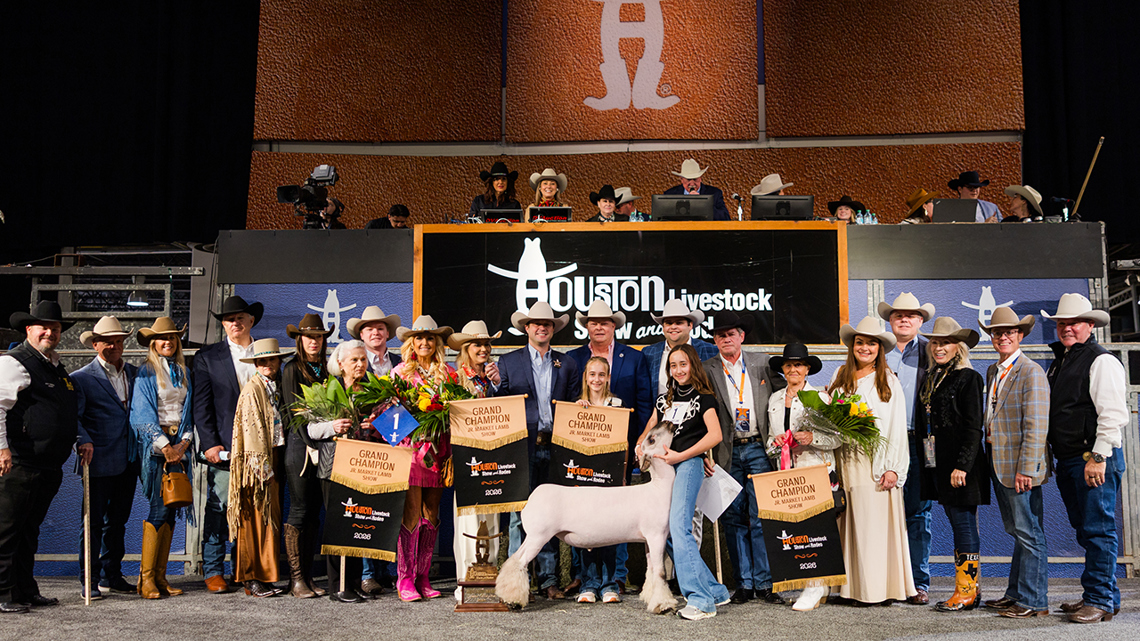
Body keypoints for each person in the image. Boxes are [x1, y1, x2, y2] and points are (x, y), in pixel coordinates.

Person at [1042, 293, 1127, 624]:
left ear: (1089, 325)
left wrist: (1098, 456)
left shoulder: (1100, 360)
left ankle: (1099, 598)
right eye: (1062, 323)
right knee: (1087, 528)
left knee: (1097, 529)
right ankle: (1105, 596)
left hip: (1092, 457)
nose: (1066, 328)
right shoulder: (1063, 361)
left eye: (1074, 322)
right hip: (1073, 459)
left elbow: (1113, 415)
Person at [496, 302, 581, 599]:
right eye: (536, 324)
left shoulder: (567, 363)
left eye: (547, 324)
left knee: (553, 515)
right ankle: (517, 582)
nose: (541, 327)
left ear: (553, 329)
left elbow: (572, 404)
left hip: (556, 447)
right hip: (522, 448)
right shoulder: (507, 363)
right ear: (526, 328)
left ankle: (548, 581)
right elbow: (500, 406)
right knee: (520, 515)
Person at [637, 345, 727, 620]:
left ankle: (700, 601)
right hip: (665, 471)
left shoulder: (705, 397)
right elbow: (651, 427)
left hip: (687, 465)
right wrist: (640, 444)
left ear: (693, 365)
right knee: (670, 531)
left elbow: (715, 435)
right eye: (673, 365)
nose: (678, 370)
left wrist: (685, 455)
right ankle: (715, 591)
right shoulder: (665, 399)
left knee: (678, 527)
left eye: (683, 364)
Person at [567, 299, 652, 593]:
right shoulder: (573, 358)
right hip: (581, 457)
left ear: (614, 325)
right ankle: (584, 578)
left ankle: (617, 577)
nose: (600, 326)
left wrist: (640, 445)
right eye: (594, 322)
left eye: (605, 321)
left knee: (621, 515)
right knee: (582, 515)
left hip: (621, 453)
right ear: (586, 327)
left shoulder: (634, 357)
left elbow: (643, 404)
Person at [829, 316, 915, 605]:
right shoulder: (840, 376)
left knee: (871, 525)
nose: (865, 348)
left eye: (871, 343)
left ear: (880, 348)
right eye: (860, 342)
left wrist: (893, 467)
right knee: (847, 524)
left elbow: (895, 428)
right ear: (852, 346)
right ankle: (849, 588)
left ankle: (874, 589)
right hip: (845, 459)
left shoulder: (887, 381)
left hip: (873, 461)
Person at [0, 301, 77, 613]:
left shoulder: (55, 366)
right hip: (19, 462)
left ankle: (25, 589)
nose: (50, 331)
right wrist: (1, 448)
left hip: (46, 465)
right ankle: (3, 594)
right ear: (28, 329)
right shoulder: (14, 362)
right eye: (43, 326)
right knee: (6, 531)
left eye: (55, 328)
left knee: (29, 531)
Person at [701, 311, 783, 605]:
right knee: (734, 518)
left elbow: (785, 398)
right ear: (715, 340)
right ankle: (744, 584)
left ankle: (765, 583)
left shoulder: (763, 363)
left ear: (741, 336)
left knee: (762, 516)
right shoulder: (706, 368)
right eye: (720, 335)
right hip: (727, 451)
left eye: (731, 334)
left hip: (759, 448)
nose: (726, 339)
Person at [977, 306, 1051, 619]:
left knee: (1029, 532)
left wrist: (1027, 468)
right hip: (999, 459)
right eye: (997, 332)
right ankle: (1016, 593)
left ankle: (1035, 600)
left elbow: (1036, 424)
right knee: (1019, 531)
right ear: (991, 337)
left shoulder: (1031, 371)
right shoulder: (995, 371)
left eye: (1009, 332)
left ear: (1020, 335)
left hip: (1019, 466)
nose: (1003, 336)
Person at [915, 318, 987, 612]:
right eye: (934, 342)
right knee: (958, 522)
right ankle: (970, 589)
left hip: (960, 465)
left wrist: (963, 466)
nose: (938, 347)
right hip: (939, 463)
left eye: (945, 342)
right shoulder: (934, 376)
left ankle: (967, 590)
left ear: (958, 346)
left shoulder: (968, 377)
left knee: (964, 523)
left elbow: (973, 427)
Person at [193, 294, 263, 594]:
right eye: (229, 319)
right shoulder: (208, 357)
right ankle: (212, 568)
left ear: (251, 321)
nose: (235, 323)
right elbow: (201, 406)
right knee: (220, 507)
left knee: (254, 509)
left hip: (259, 448)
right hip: (223, 446)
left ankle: (244, 568)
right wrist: (209, 443)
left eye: (240, 318)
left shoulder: (265, 353)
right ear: (223, 324)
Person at [766, 342, 838, 612]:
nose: (793, 369)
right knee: (795, 531)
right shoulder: (774, 400)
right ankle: (813, 583)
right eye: (788, 365)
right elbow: (769, 441)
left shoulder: (820, 397)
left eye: (798, 364)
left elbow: (838, 438)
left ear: (807, 369)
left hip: (813, 468)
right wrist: (776, 444)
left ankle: (815, 585)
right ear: (782, 369)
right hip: (784, 472)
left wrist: (813, 437)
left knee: (814, 529)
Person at [72, 316, 138, 599]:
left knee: (118, 521)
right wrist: (83, 440)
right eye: (108, 341)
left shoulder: (136, 373)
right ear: (95, 344)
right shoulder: (81, 378)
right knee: (93, 522)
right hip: (97, 460)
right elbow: (73, 419)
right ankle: (89, 578)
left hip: (128, 459)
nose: (114, 345)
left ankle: (113, 574)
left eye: (119, 341)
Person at [306, 340, 377, 603]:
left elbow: (395, 426)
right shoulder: (325, 390)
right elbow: (311, 430)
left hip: (365, 465)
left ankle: (355, 582)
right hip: (333, 465)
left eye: (363, 359)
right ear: (340, 364)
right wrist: (332, 426)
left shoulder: (374, 389)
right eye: (354, 360)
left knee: (360, 523)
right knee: (339, 524)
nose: (360, 364)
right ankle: (338, 585)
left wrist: (376, 425)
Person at [392, 315, 456, 602]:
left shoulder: (449, 375)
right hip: (412, 450)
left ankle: (423, 575)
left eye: (430, 338)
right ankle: (405, 578)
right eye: (419, 338)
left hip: (440, 450)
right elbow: (386, 413)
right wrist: (410, 435)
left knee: (432, 513)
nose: (425, 343)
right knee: (412, 514)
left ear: (437, 342)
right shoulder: (400, 373)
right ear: (411, 343)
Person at [129, 317, 193, 600]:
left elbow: (189, 411)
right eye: (162, 338)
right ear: (153, 343)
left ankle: (161, 576)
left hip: (180, 448)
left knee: (171, 509)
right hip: (156, 449)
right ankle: (146, 580)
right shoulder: (145, 372)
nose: (168, 341)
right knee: (158, 508)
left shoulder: (183, 371)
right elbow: (140, 414)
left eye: (172, 337)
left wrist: (185, 442)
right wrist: (166, 446)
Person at [879, 292, 934, 605]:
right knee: (881, 512)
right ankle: (885, 580)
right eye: (899, 314)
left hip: (919, 439)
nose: (904, 319)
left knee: (918, 512)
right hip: (881, 441)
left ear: (920, 321)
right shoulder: (878, 351)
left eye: (911, 315)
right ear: (891, 319)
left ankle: (917, 582)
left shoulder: (931, 351)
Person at [229, 338, 292, 598]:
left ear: (278, 362)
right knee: (253, 519)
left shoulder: (274, 387)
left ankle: (265, 576)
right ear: (255, 364)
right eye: (262, 360)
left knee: (269, 519)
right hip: (257, 463)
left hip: (274, 454)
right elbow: (249, 431)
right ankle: (250, 577)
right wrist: (260, 466)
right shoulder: (252, 389)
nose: (267, 364)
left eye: (271, 359)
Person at [345, 305, 401, 592]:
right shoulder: (353, 364)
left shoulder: (402, 364)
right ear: (361, 335)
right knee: (366, 508)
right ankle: (367, 572)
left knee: (389, 508)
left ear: (388, 333)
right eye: (369, 329)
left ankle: (384, 570)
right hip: (363, 446)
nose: (375, 332)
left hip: (395, 443)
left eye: (380, 328)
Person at [447, 320, 502, 601]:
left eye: (486, 344)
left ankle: (490, 574)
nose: (483, 349)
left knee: (492, 516)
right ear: (466, 349)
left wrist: (496, 384)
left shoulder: (495, 377)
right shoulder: (455, 379)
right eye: (477, 345)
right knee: (468, 519)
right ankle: (466, 578)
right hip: (467, 456)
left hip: (492, 456)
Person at [280, 314, 332, 599]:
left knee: (314, 513)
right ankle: (295, 579)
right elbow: (292, 414)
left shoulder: (326, 368)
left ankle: (309, 578)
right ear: (300, 339)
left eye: (319, 337)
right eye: (310, 337)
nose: (315, 341)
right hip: (301, 447)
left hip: (324, 446)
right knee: (299, 510)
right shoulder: (291, 369)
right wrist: (310, 440)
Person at [574, 356, 623, 605]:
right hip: (583, 478)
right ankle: (589, 584)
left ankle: (609, 584)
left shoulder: (617, 405)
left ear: (608, 377)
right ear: (586, 376)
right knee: (585, 532)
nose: (596, 379)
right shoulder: (576, 406)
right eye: (592, 374)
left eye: (601, 374)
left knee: (610, 531)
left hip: (608, 477)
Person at [642, 299, 718, 398]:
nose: (673, 327)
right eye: (668, 323)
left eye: (679, 323)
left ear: (690, 325)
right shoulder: (648, 353)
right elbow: (643, 392)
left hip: (699, 411)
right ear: (663, 327)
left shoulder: (710, 351)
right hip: (659, 412)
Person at [663, 158, 730, 221]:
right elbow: (662, 219)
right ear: (681, 180)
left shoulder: (714, 193)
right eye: (688, 179)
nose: (692, 183)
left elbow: (725, 218)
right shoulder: (670, 194)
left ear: (700, 178)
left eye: (695, 179)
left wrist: (702, 203)